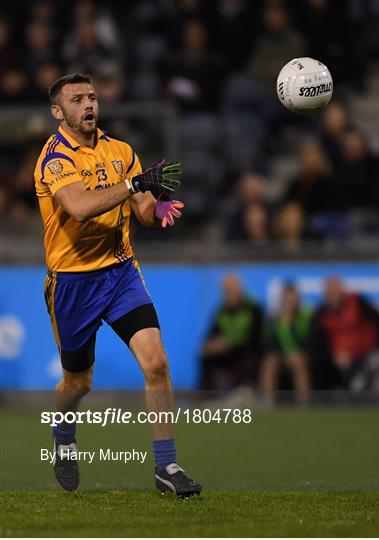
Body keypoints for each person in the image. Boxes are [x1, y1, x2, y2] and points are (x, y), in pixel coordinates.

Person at [33, 73, 201, 498]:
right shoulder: (54, 159)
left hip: (120, 273)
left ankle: (167, 467)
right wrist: (132, 185)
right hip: (73, 283)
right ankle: (64, 433)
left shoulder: (121, 150)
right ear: (59, 112)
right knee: (79, 383)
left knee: (157, 364)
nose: (88, 105)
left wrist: (158, 206)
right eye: (76, 100)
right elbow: (80, 207)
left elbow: (141, 209)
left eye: (92, 97)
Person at [310, 277, 379, 391]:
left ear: (342, 290)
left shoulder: (358, 302)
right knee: (356, 385)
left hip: (370, 355)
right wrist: (332, 355)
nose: (333, 294)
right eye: (330, 291)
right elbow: (317, 343)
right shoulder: (321, 315)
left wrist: (378, 346)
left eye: (336, 290)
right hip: (346, 362)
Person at [200, 274, 263, 394]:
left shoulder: (253, 309)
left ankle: (244, 391)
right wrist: (211, 345)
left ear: (240, 290)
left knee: (247, 357)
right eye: (226, 291)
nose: (228, 295)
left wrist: (229, 343)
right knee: (206, 356)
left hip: (247, 350)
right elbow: (211, 334)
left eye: (231, 290)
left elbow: (255, 338)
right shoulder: (221, 311)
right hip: (227, 352)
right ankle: (206, 395)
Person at [259, 284, 311, 407]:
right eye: (287, 299)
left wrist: (287, 327)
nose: (289, 303)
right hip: (281, 357)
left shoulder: (305, 317)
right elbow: (268, 343)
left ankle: (303, 403)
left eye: (292, 299)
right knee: (269, 362)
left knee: (298, 362)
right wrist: (282, 325)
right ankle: (267, 402)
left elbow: (307, 341)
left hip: (301, 356)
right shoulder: (274, 319)